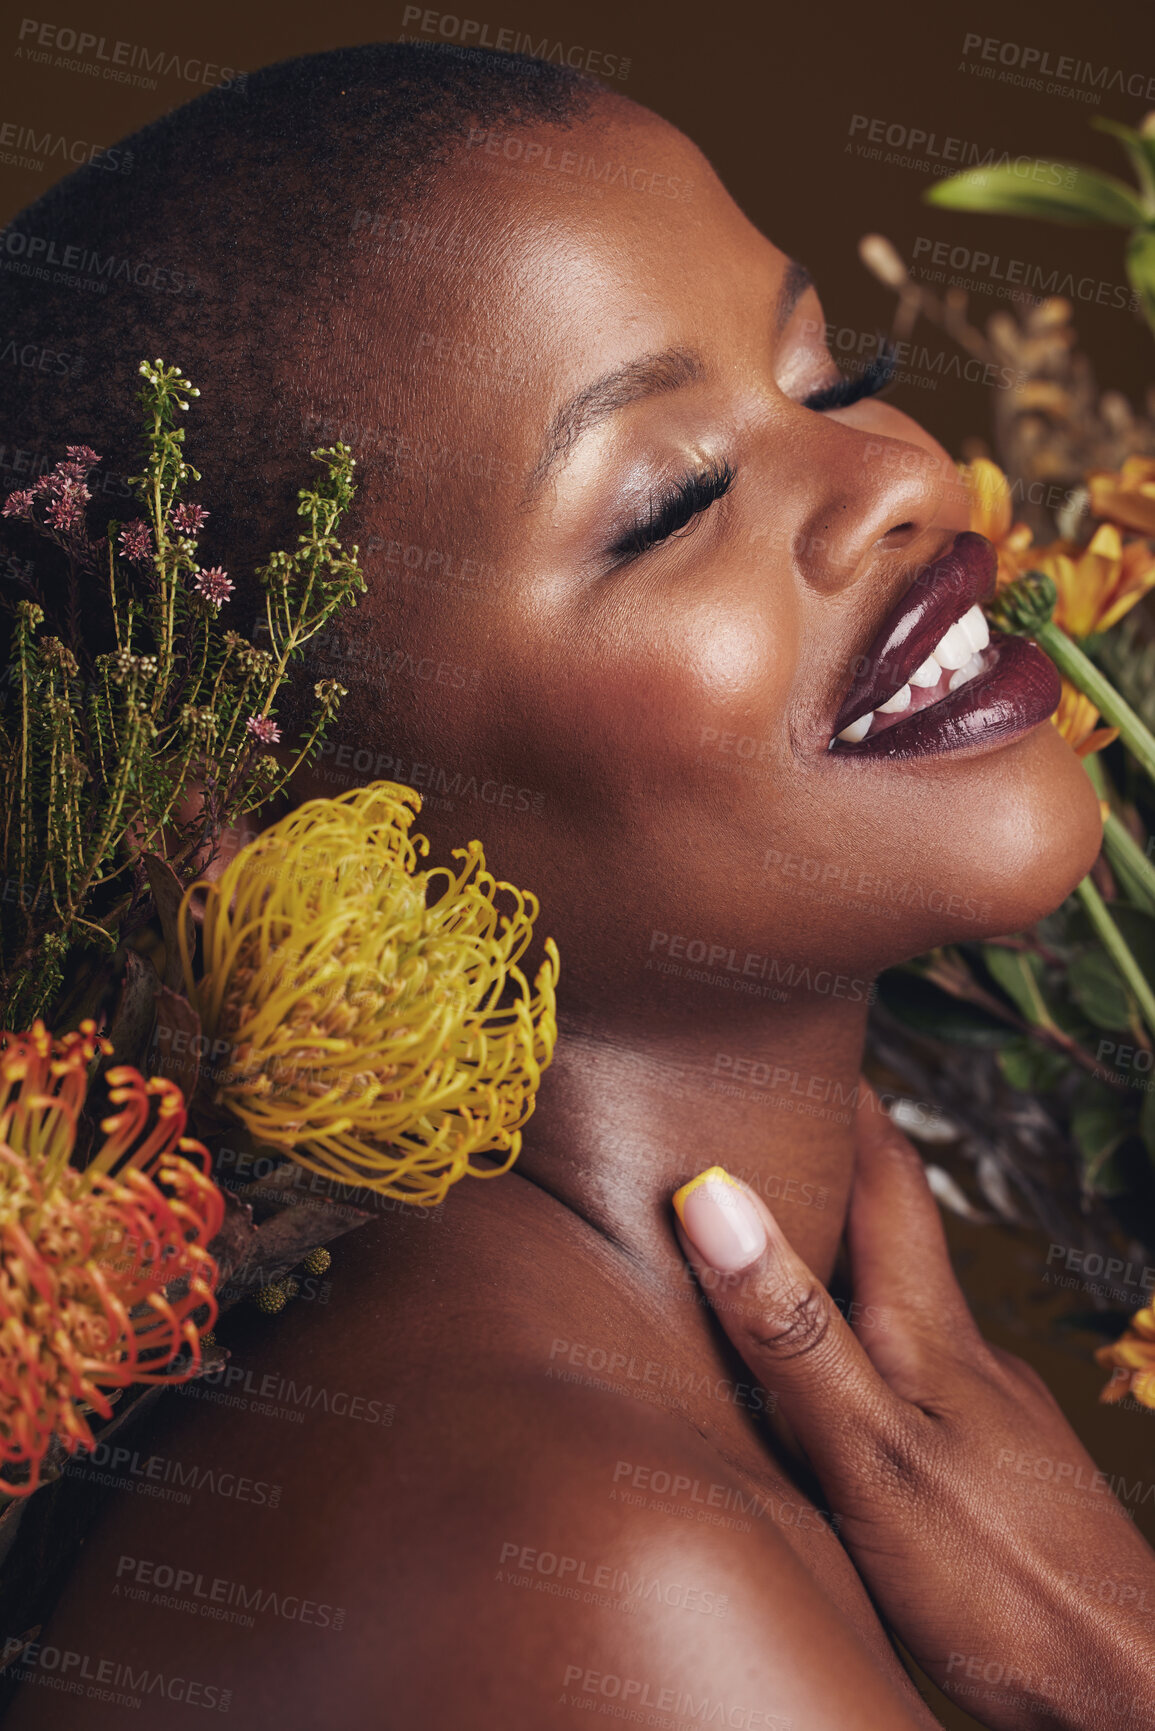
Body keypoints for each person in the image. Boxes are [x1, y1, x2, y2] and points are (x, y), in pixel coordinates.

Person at [3, 43, 1152, 1730]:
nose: (901, 473)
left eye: (834, 378)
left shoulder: (700, 1436)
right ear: (252, 824)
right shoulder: (605, 1570)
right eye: (675, 501)